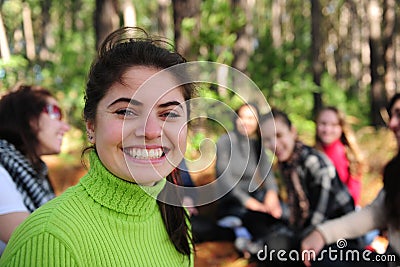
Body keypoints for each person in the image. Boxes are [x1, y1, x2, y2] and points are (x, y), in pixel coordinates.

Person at [0, 27, 195, 266]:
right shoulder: (47, 239)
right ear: (91, 127)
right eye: (125, 111)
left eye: (169, 113)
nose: (152, 131)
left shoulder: (176, 218)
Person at [301, 94, 400, 267]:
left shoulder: (344, 156)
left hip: (346, 212)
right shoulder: (395, 170)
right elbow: (377, 212)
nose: (391, 124)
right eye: (392, 116)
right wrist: (322, 233)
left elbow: (352, 195)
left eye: (399, 114)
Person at [258, 108, 355, 265]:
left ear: (293, 132)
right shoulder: (286, 166)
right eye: (267, 139)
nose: (274, 144)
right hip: (309, 229)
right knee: (272, 248)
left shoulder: (314, 163)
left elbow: (320, 216)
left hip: (338, 233)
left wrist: (299, 238)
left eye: (279, 135)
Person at [0, 84, 70, 255]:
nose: (65, 127)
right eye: (55, 113)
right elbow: (36, 241)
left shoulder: (37, 174)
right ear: (28, 118)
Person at [215, 103, 281, 254]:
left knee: (278, 212)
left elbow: (267, 172)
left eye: (251, 118)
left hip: (254, 198)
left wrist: (272, 193)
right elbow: (225, 179)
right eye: (242, 117)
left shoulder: (257, 145)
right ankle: (252, 243)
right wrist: (248, 202)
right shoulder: (225, 142)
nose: (245, 122)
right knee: (252, 218)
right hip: (232, 201)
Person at [315, 106, 364, 205]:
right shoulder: (312, 154)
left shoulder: (348, 155)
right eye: (323, 123)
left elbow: (353, 195)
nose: (327, 129)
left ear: (341, 128)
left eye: (333, 125)